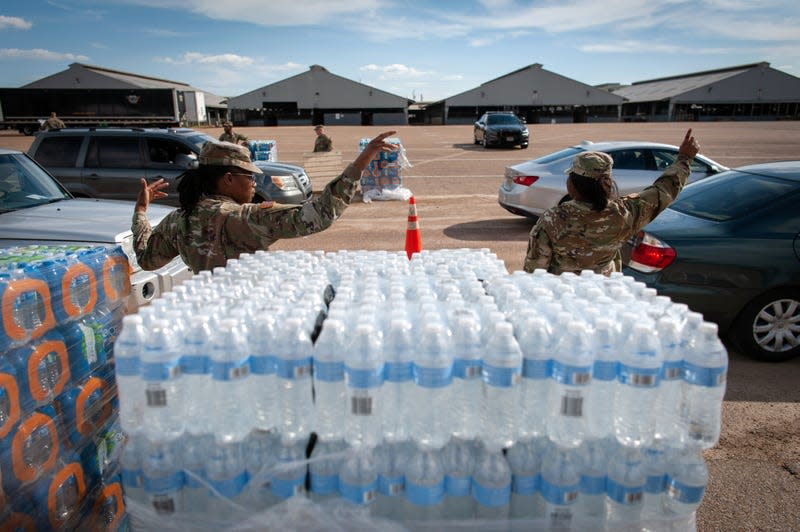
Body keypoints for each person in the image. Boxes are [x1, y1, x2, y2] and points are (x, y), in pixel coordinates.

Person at [132, 131, 397, 274]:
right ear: (227, 179)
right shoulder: (243, 218)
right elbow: (320, 214)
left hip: (207, 320)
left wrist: (141, 213)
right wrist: (363, 160)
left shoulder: (179, 219)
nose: (254, 184)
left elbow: (147, 260)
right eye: (249, 177)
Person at [523, 129, 700, 275]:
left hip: (562, 301)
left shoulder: (552, 219)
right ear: (607, 184)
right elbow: (664, 190)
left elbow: (535, 270)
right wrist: (684, 159)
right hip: (605, 296)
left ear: (574, 184)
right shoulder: (624, 213)